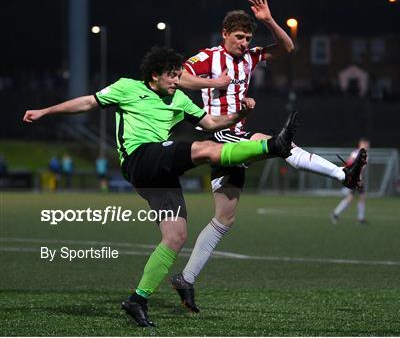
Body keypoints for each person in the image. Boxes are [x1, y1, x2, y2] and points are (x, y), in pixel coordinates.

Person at [23, 46, 300, 327]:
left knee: (176, 236)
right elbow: (87, 103)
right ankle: (273, 146)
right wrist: (45, 111)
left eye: (179, 76)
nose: (177, 81)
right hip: (140, 158)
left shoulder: (178, 98)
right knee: (206, 149)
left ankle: (138, 299)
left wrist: (238, 113)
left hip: (158, 174)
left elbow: (212, 122)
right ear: (155, 75)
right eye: (172, 76)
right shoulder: (126, 88)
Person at [174, 0, 367, 313]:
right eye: (239, 37)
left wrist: (269, 21)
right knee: (273, 141)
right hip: (219, 133)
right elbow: (178, 77)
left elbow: (288, 48)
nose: (244, 43)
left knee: (224, 218)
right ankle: (342, 174)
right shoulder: (209, 57)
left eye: (248, 37)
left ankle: (186, 279)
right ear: (224, 34)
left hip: (235, 136)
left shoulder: (249, 57)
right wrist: (211, 84)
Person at [330, 138, 370, 225]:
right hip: (355, 179)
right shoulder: (355, 153)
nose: (367, 146)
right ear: (361, 144)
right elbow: (349, 163)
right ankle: (336, 214)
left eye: (367, 145)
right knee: (354, 198)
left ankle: (359, 218)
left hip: (358, 179)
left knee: (358, 197)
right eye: (365, 144)